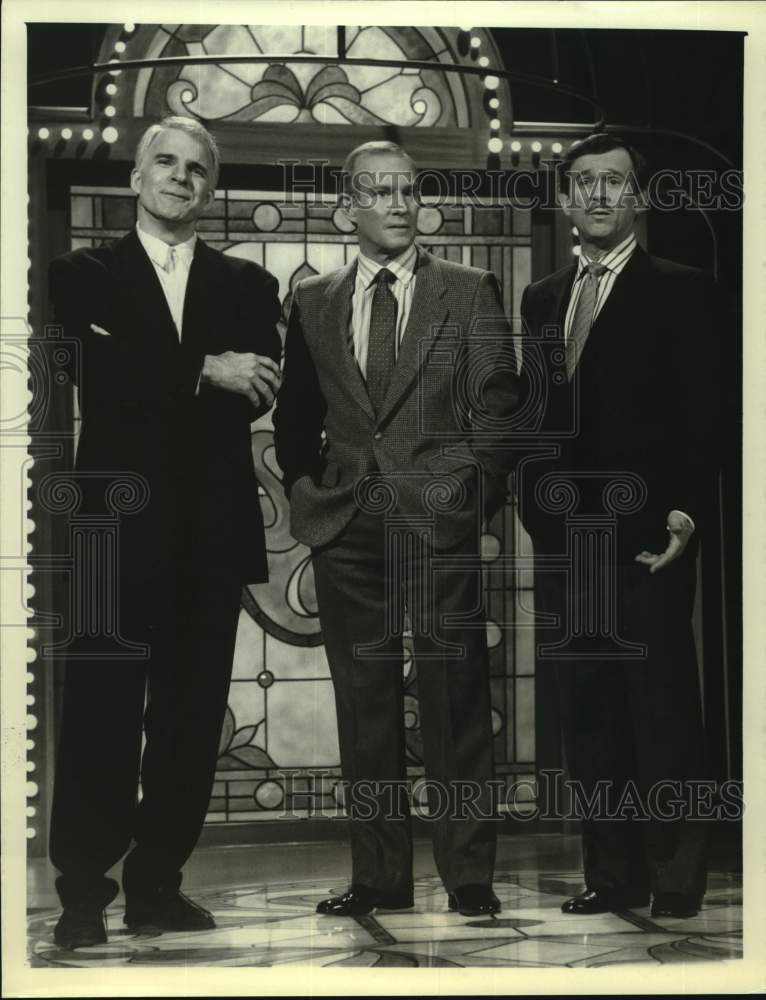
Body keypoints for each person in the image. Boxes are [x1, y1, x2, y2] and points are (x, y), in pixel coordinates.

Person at [48, 116, 282, 948]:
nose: (180, 178)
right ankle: (82, 895)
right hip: (115, 531)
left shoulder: (249, 288)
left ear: (209, 188)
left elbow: (256, 388)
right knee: (101, 715)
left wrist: (169, 372)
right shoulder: (78, 275)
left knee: (189, 721)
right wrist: (200, 368)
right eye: (166, 163)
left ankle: (156, 885)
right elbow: (89, 367)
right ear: (137, 178)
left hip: (209, 532)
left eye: (196, 169)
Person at [273, 140, 521, 918]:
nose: (398, 203)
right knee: (365, 702)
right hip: (348, 526)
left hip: (437, 519)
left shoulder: (470, 289)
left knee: (453, 696)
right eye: (379, 191)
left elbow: (501, 408)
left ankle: (468, 876)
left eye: (408, 190)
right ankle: (379, 877)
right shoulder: (313, 300)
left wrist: (471, 493)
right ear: (348, 207)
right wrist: (307, 488)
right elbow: (296, 416)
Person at [518, 133, 718, 919]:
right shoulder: (542, 298)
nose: (598, 195)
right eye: (584, 183)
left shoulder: (684, 287)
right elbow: (535, 421)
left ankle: (675, 877)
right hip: (567, 545)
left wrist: (684, 512)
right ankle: (612, 874)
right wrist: (537, 514)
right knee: (590, 710)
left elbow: (706, 416)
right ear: (566, 200)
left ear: (638, 198)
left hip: (647, 541)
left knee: (662, 708)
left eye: (614, 182)